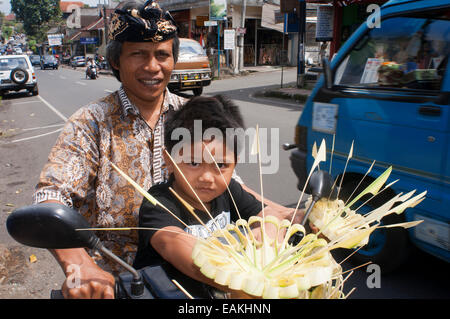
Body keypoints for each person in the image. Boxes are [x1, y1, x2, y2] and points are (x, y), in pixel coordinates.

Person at [32, 0, 299, 299]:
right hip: (120, 283)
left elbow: (230, 184)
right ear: (117, 61)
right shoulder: (90, 124)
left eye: (162, 55)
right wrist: (80, 266)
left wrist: (288, 214)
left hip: (203, 277)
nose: (152, 67)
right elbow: (50, 197)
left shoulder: (192, 112)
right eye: (139, 54)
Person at [134, 95, 299, 298]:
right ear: (169, 161)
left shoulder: (229, 190)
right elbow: (176, 246)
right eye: (193, 163)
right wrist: (254, 278)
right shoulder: (158, 203)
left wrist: (268, 229)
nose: (207, 177)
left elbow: (269, 214)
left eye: (220, 165)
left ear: (235, 164)